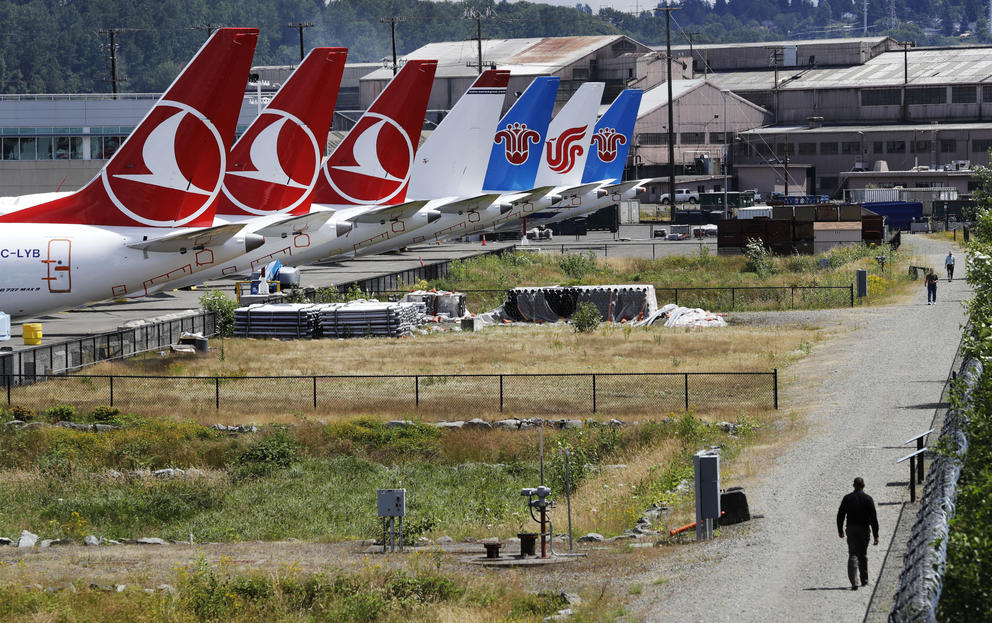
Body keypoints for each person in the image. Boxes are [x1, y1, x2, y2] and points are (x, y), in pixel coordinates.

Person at [837, 477, 879, 590]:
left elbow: (840, 515)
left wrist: (840, 530)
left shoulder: (847, 498)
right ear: (863, 486)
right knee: (863, 554)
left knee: (853, 554)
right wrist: (876, 535)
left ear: (853, 485)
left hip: (851, 529)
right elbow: (873, 518)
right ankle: (864, 580)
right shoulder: (868, 499)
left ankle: (854, 582)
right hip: (864, 529)